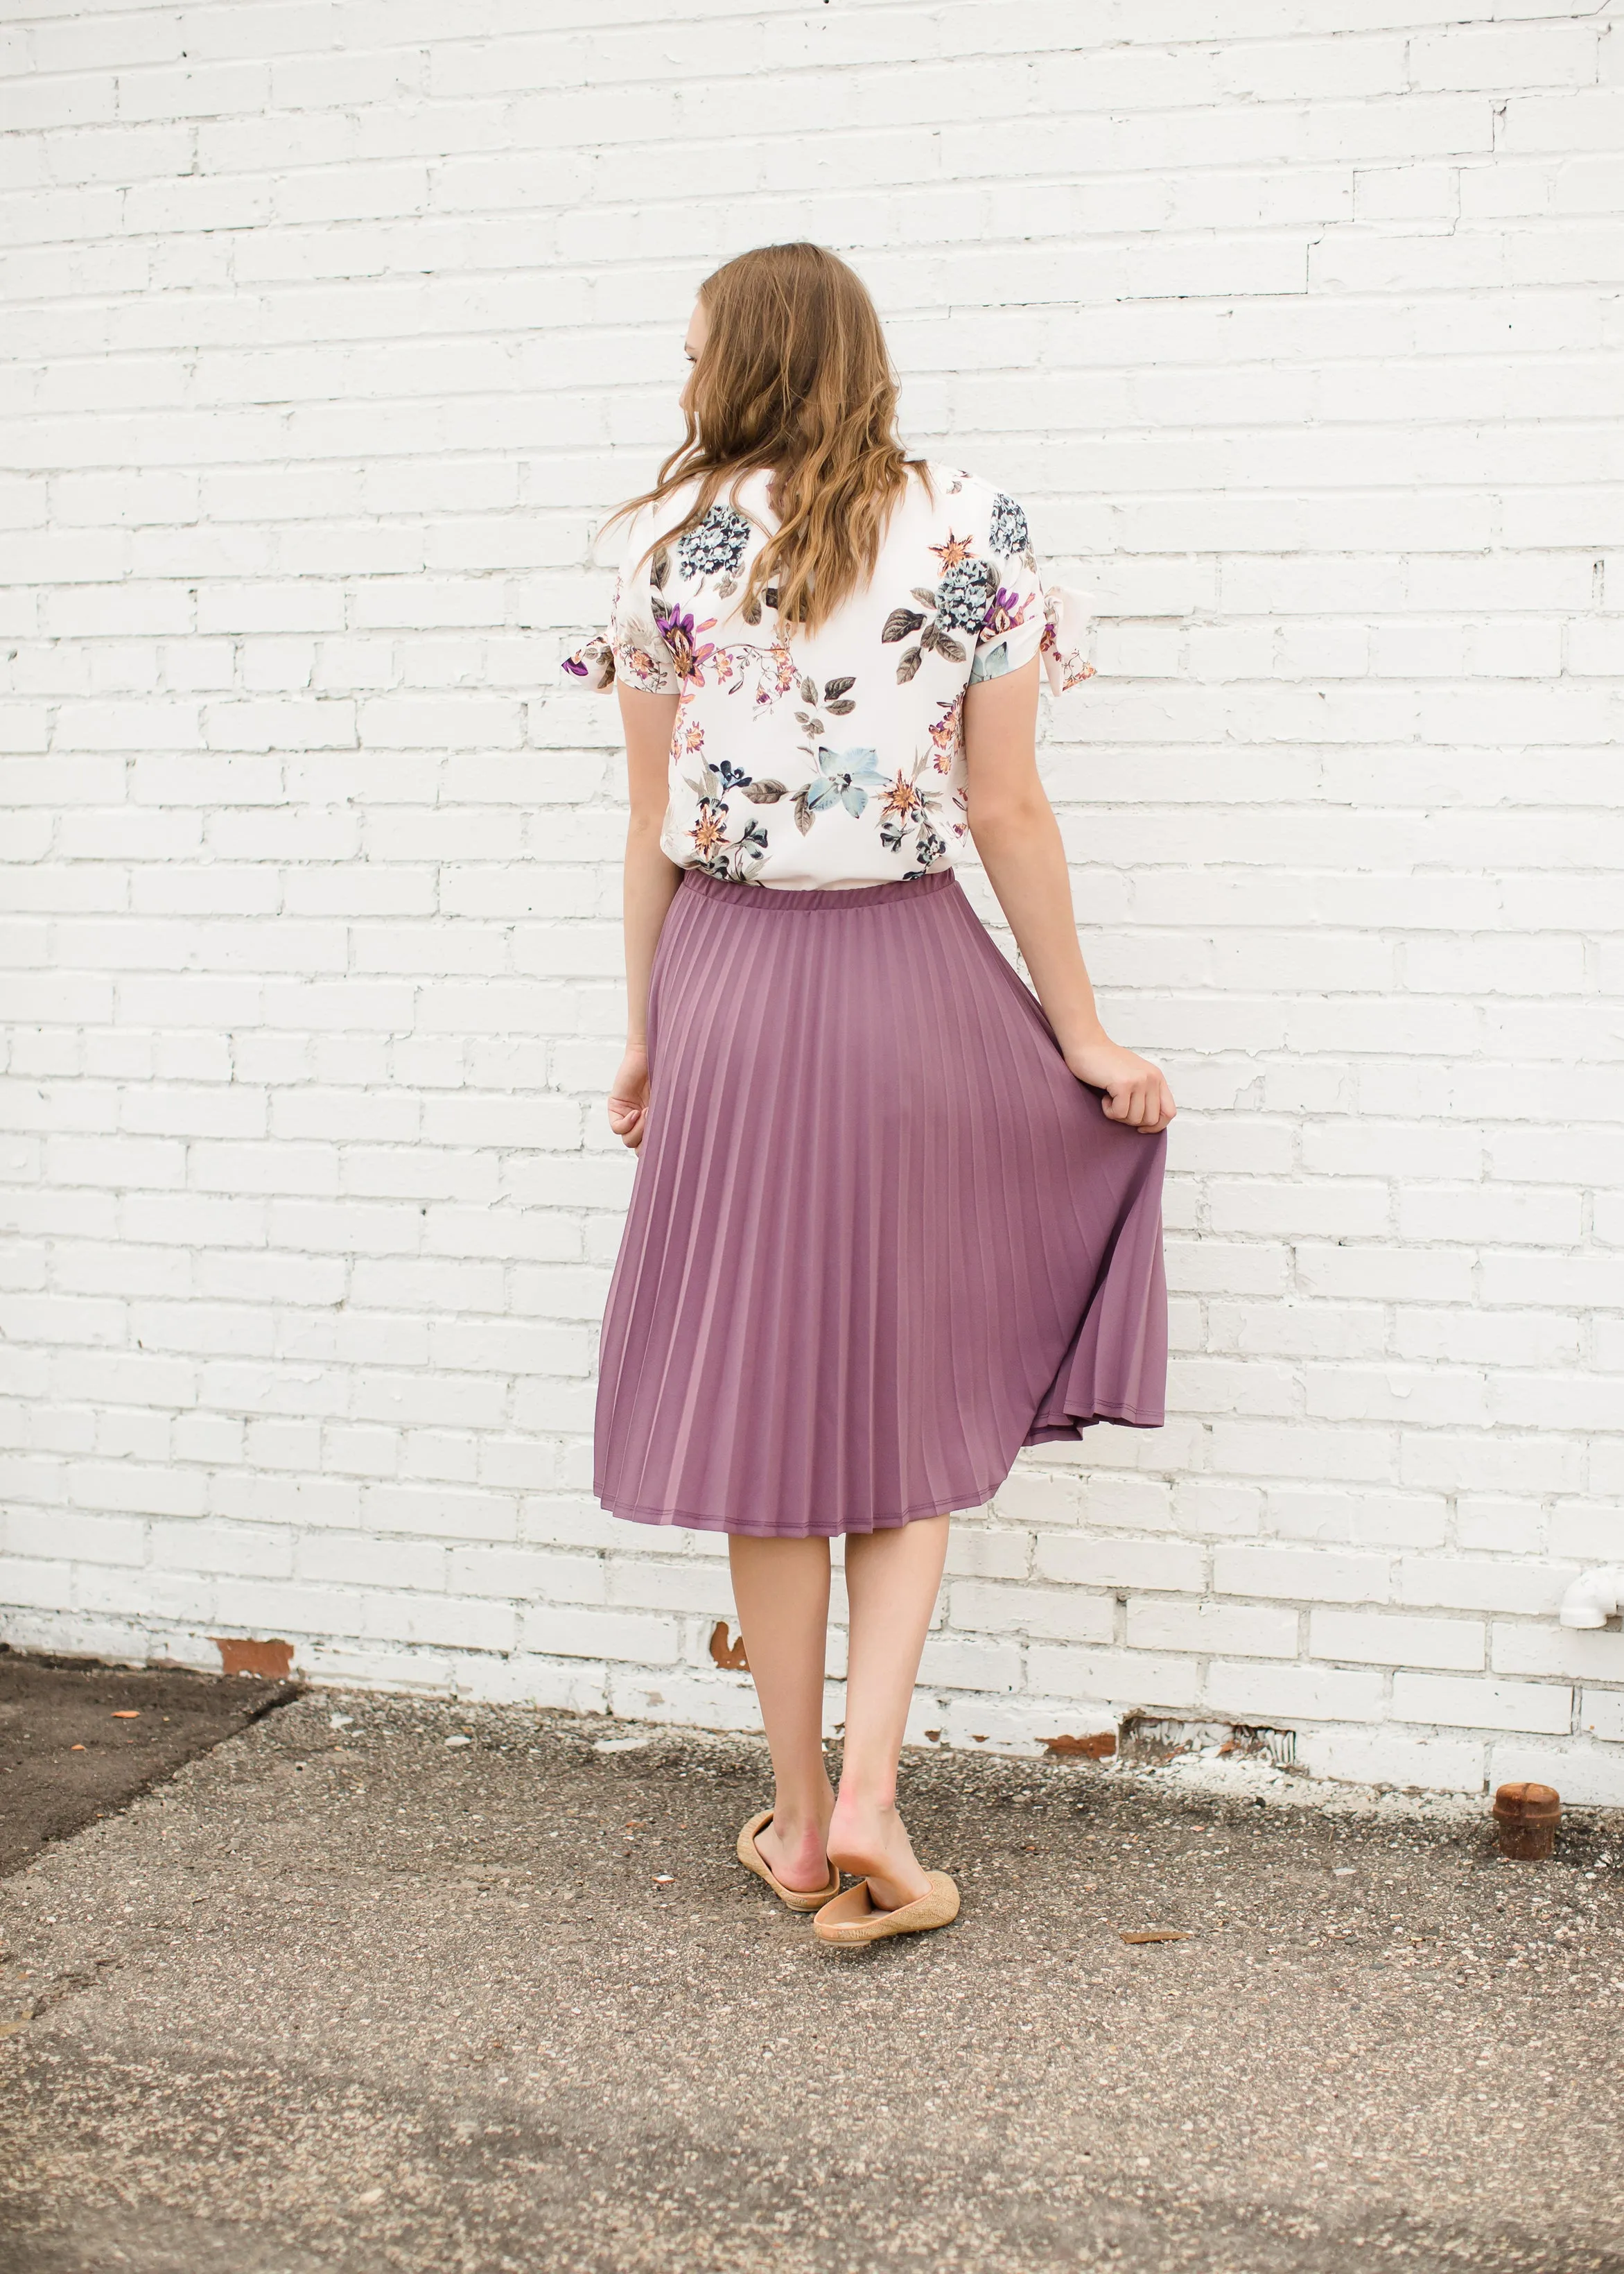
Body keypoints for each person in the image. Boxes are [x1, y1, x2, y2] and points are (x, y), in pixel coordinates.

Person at [565, 243, 1172, 1948]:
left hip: (733, 990)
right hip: (912, 980)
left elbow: (645, 826)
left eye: (691, 349)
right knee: (901, 1408)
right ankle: (873, 1800)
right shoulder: (976, 519)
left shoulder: (656, 546)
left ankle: (799, 1833)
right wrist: (1084, 1036)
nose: (680, 375)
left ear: (743, 362)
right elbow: (1007, 810)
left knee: (770, 1421)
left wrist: (644, 1032)